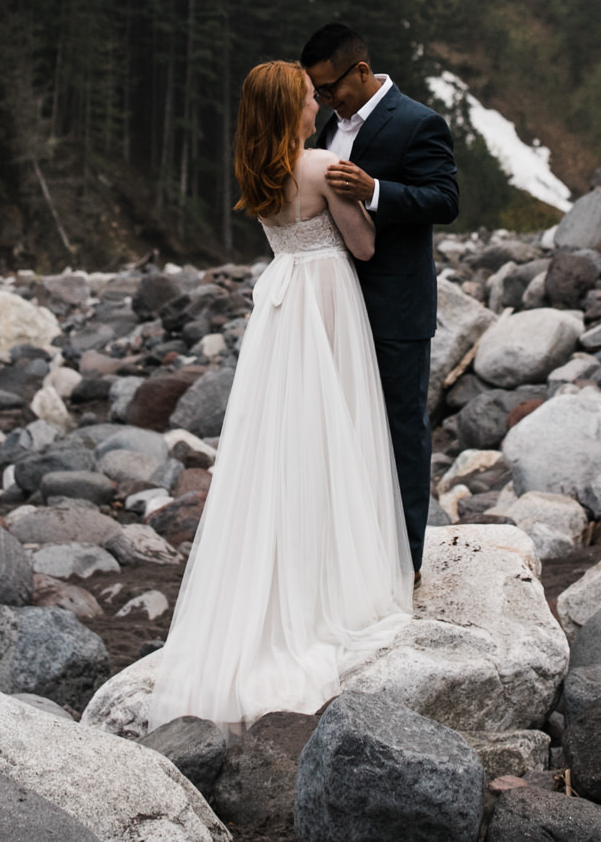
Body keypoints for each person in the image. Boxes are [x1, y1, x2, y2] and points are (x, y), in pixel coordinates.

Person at [141, 60, 416, 728]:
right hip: (326, 306)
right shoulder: (322, 167)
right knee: (339, 435)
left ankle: (277, 583)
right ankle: (338, 583)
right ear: (288, 109)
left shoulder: (256, 174)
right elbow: (365, 244)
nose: (313, 106)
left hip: (281, 312)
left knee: (282, 447)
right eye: (304, 99)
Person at [300, 22, 459, 572]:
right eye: (317, 93)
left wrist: (376, 192)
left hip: (396, 307)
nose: (324, 101)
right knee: (345, 430)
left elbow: (445, 201)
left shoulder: (419, 122)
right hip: (338, 305)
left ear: (361, 72)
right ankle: (355, 560)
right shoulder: (328, 131)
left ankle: (405, 564)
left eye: (330, 90)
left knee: (401, 432)